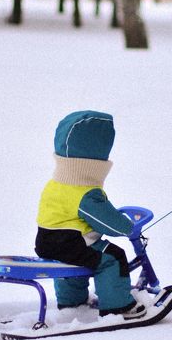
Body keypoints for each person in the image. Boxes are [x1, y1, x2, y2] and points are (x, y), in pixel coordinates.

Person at [34, 110, 147, 318]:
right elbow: (108, 222)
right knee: (112, 258)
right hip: (72, 242)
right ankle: (118, 307)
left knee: (73, 265)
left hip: (46, 242)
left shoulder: (56, 183)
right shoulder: (85, 192)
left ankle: (71, 303)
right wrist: (128, 228)